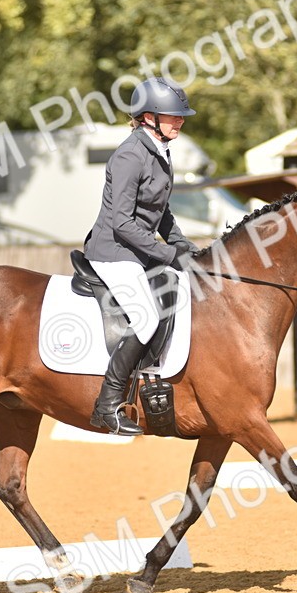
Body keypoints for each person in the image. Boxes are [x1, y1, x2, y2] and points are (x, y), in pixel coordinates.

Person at [83, 77, 198, 435]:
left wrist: (184, 247)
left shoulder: (159, 151)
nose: (180, 121)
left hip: (136, 249)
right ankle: (108, 405)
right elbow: (122, 221)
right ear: (149, 117)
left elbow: (160, 213)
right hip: (113, 250)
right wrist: (166, 253)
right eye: (173, 116)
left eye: (180, 116)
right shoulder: (131, 154)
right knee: (146, 317)